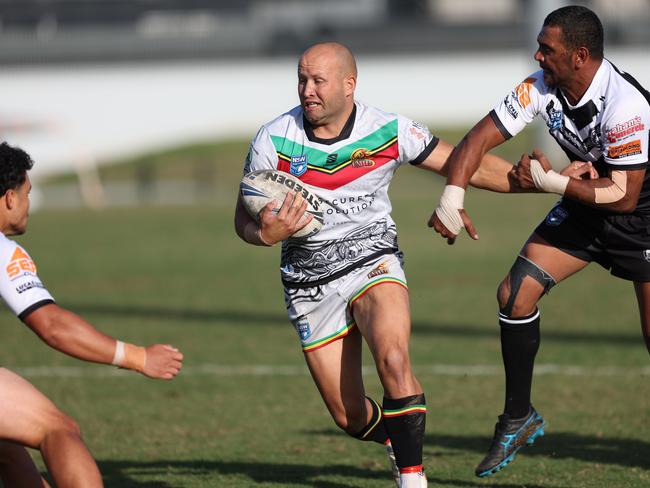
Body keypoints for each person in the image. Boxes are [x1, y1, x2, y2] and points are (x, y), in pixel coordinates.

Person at [233, 41, 560, 487]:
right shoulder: (274, 138)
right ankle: (397, 436)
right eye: (302, 79)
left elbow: (464, 164)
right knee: (348, 416)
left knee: (392, 356)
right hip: (309, 283)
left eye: (318, 80)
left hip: (373, 260)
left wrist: (546, 183)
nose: (307, 90)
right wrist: (264, 235)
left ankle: (412, 478)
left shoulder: (388, 130)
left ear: (349, 85)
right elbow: (242, 219)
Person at [429, 5, 650, 478]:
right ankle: (518, 417)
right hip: (587, 204)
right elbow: (477, 139)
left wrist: (550, 182)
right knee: (514, 293)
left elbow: (623, 197)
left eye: (547, 49)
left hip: (641, 215)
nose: (538, 55)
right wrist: (453, 194)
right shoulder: (540, 86)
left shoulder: (627, 105)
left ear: (580, 56)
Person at [0, 141, 184, 487]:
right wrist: (137, 356)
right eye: (26, 194)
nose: (27, 205)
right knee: (58, 429)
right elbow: (52, 326)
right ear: (10, 198)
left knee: (7, 448)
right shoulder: (3, 251)